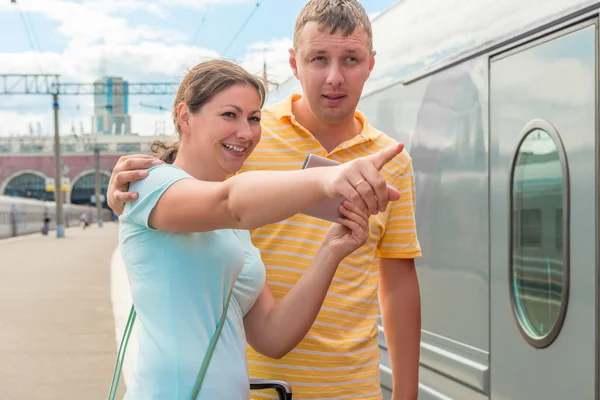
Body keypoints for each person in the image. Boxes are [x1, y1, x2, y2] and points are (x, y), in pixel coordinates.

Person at [108, 1, 422, 398]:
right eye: (229, 115)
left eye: (252, 118)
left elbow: (273, 335)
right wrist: (330, 178)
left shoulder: (239, 238)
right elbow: (229, 203)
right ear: (184, 117)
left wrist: (331, 250)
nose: (245, 132)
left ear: (371, 63)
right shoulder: (164, 180)